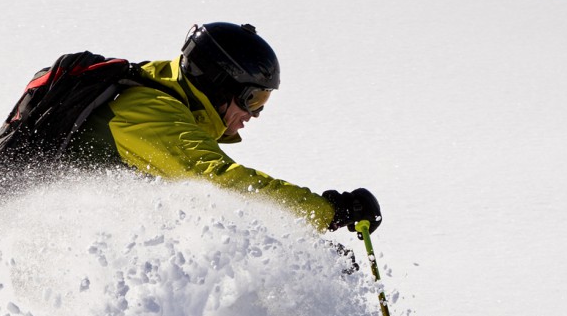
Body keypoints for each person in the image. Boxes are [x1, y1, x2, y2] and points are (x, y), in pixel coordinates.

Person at [62, 21, 381, 234]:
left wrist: (306, 255)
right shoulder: (151, 110)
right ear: (218, 85)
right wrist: (328, 212)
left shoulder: (165, 96)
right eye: (253, 99)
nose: (254, 115)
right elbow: (224, 185)